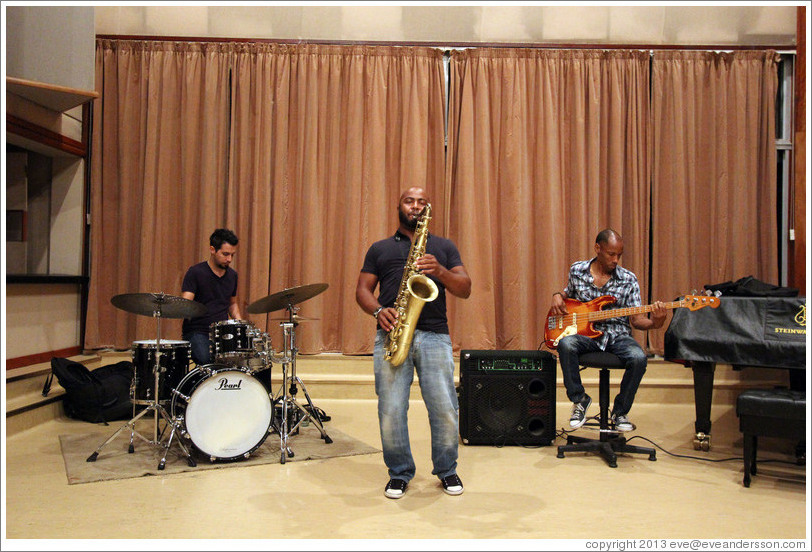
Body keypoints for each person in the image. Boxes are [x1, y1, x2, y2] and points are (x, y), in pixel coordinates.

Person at [356, 187, 472, 499]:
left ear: (428, 210)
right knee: (391, 409)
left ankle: (447, 470)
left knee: (445, 407)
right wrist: (379, 311)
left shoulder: (443, 247)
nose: (416, 206)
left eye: (422, 202)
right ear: (399, 205)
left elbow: (465, 288)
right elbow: (362, 291)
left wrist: (441, 271)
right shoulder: (380, 248)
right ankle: (399, 472)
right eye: (410, 200)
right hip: (392, 334)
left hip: (435, 335)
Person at [549, 228, 667, 433]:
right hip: (587, 335)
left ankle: (620, 411)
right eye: (611, 254)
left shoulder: (628, 279)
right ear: (597, 248)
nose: (616, 260)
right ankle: (580, 400)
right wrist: (557, 295)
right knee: (566, 343)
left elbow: (638, 320)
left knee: (638, 357)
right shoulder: (578, 270)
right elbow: (568, 296)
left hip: (618, 335)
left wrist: (656, 323)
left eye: (619, 255)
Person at [181, 228, 243, 366]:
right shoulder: (196, 272)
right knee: (205, 358)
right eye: (225, 254)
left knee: (243, 357)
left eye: (232, 255)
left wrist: (241, 325)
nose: (229, 259)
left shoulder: (232, 275)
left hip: (222, 332)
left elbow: (232, 304)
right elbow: (185, 304)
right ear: (212, 249)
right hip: (198, 331)